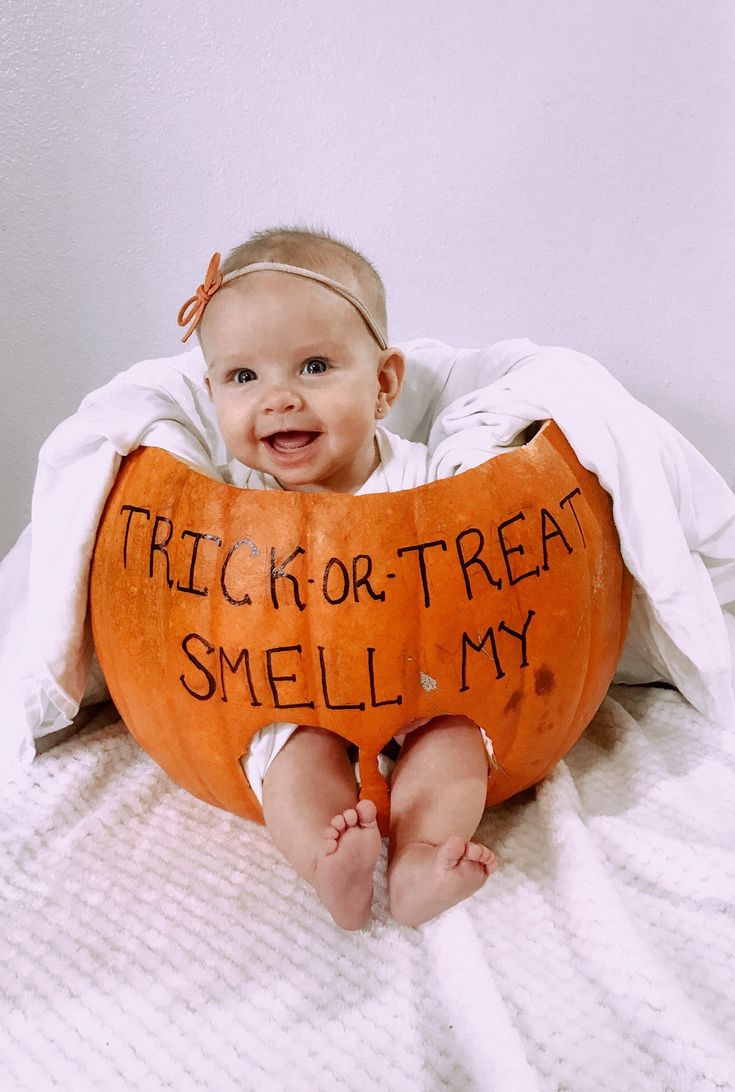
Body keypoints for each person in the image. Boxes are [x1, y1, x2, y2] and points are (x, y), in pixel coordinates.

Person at [178, 227, 496, 930]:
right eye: (243, 377)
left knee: (456, 741)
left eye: (315, 366)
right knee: (289, 757)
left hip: (422, 686)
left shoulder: (426, 480)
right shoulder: (231, 504)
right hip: (296, 690)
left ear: (383, 384)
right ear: (211, 395)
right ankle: (327, 865)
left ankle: (418, 859)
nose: (279, 399)